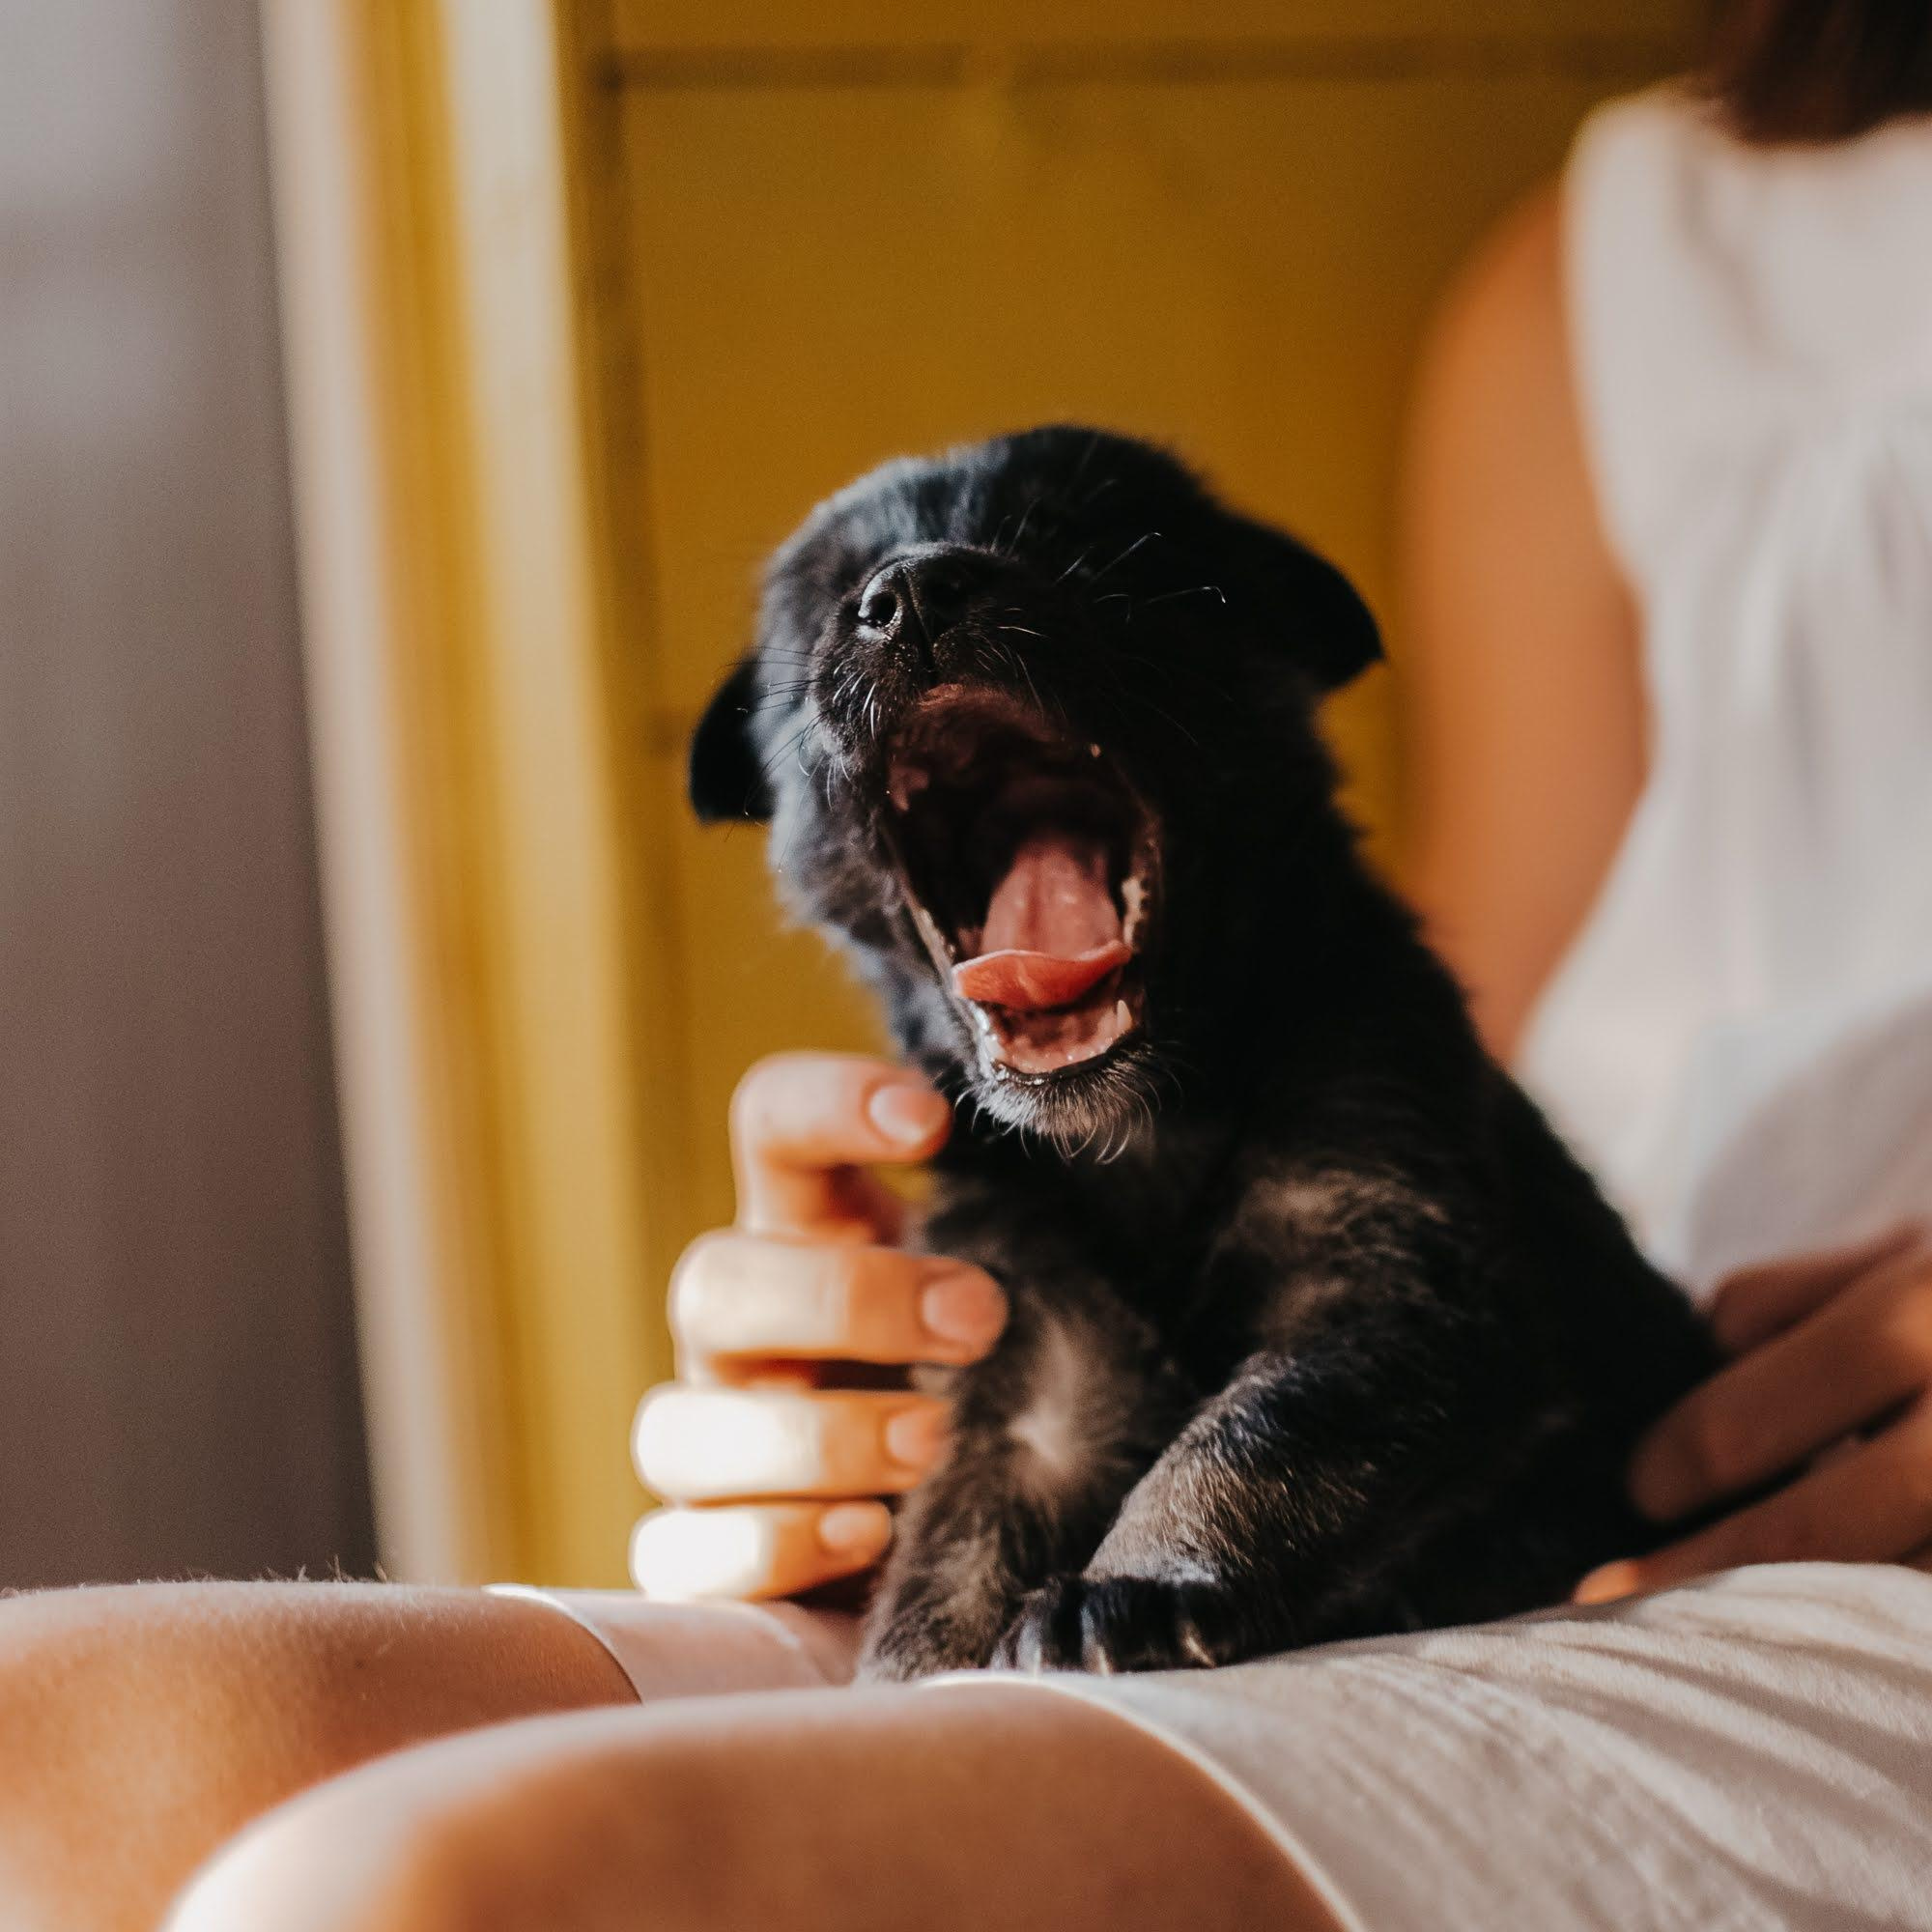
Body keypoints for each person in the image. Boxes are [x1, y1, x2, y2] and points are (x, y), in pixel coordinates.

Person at [6, 2, 1932, 1925]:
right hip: (1485, 1496)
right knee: (48, 1759)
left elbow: (1405, 1264)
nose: (922, 605)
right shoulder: (1628, 263)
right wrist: (897, 1428)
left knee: (407, 1890)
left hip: (1790, 1580)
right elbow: (1468, 1055)